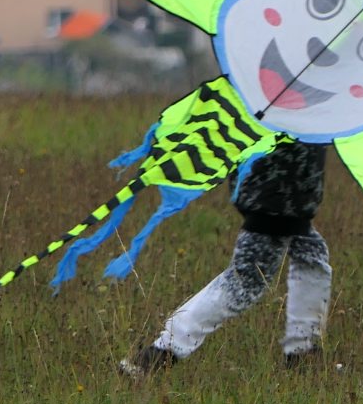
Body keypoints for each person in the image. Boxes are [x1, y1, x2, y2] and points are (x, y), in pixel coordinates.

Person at [119, 141, 333, 377]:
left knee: (312, 255)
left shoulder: (305, 107)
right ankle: (161, 352)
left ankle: (303, 354)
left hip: (286, 196)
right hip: (276, 196)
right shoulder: (288, 108)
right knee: (244, 282)